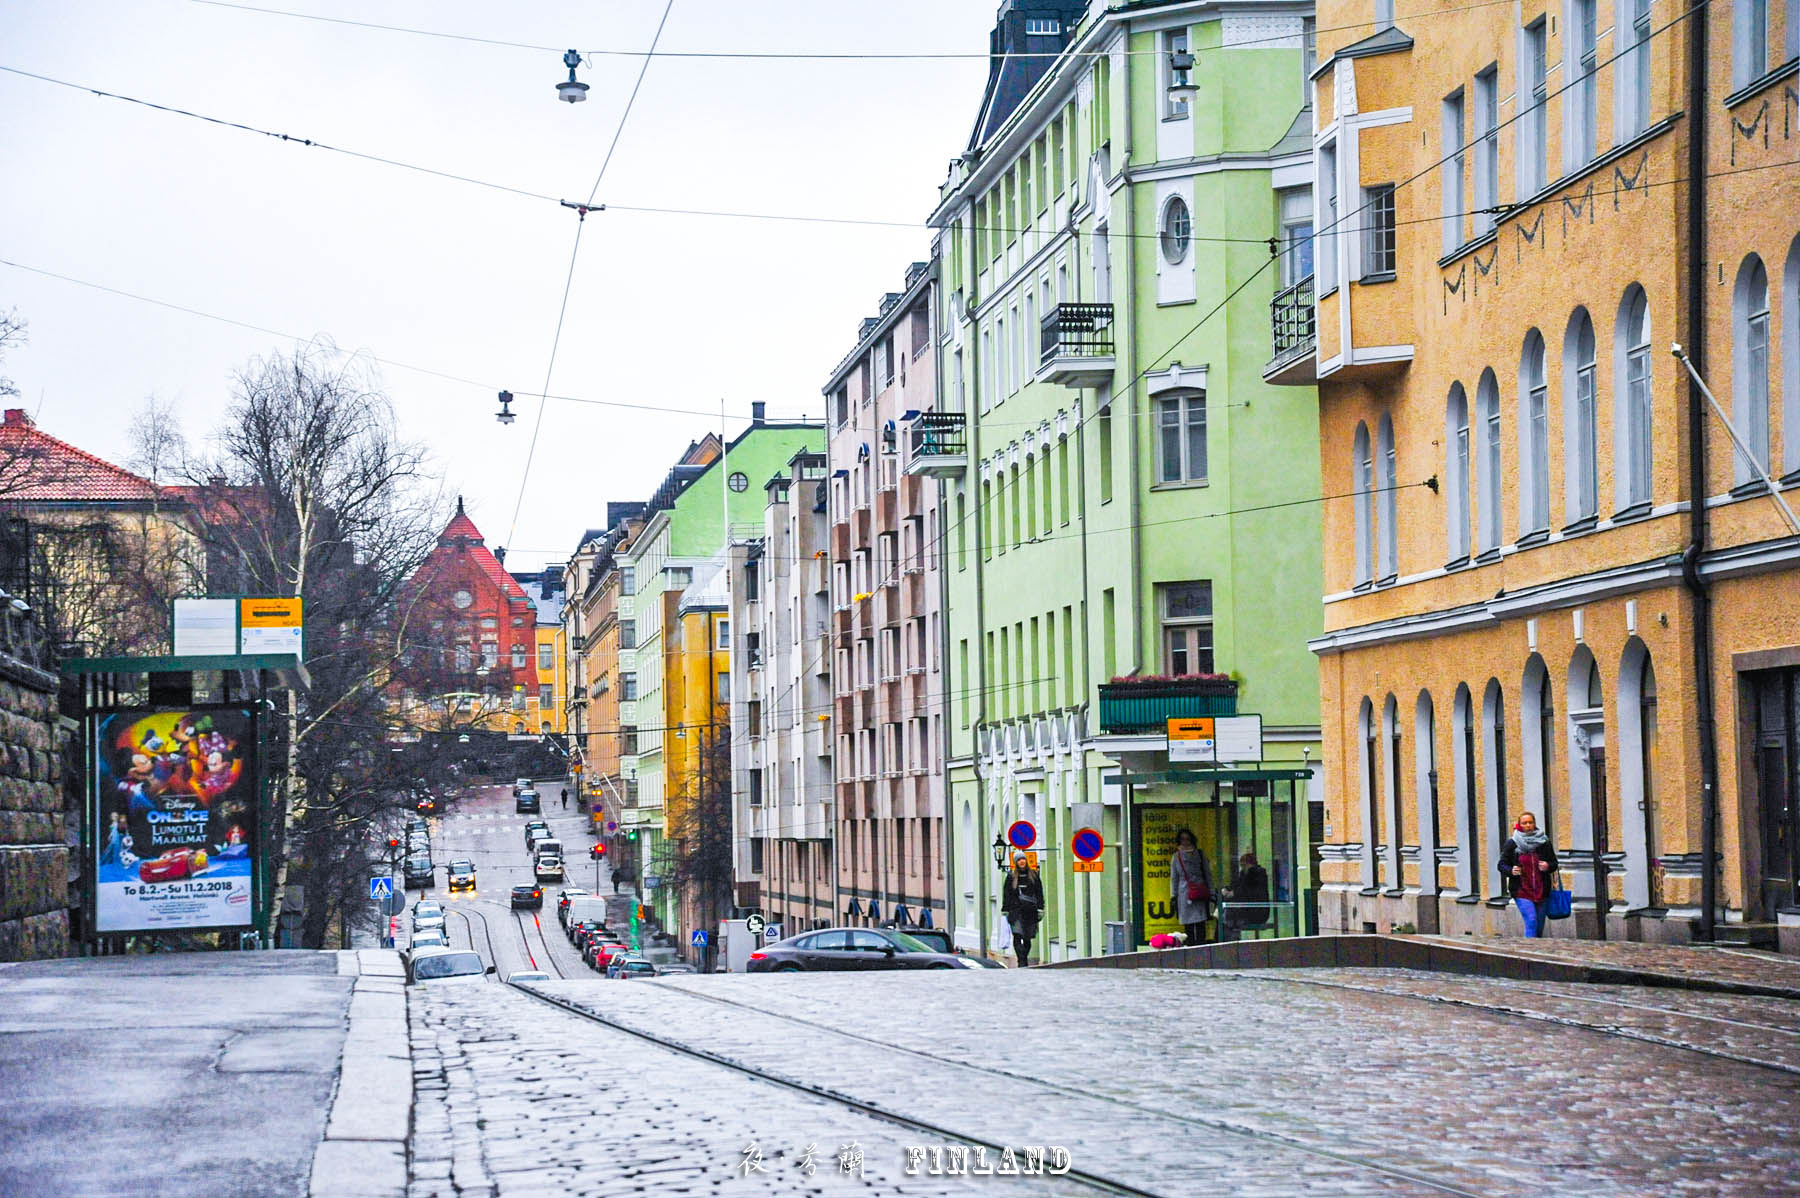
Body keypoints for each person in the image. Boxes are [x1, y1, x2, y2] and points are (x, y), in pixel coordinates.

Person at [1498, 811, 1559, 938]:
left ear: (1534, 824)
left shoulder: (1544, 842)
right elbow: (1501, 864)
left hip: (1542, 890)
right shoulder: (1513, 843)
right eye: (1524, 823)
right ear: (1519, 825)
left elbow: (1554, 863)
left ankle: (1538, 949)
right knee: (1531, 920)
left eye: (1530, 822)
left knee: (1539, 925)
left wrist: (1548, 866)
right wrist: (1511, 870)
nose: (1528, 825)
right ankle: (1529, 950)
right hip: (1522, 890)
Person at [1169, 829, 1213, 945]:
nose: (1185, 842)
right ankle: (1190, 946)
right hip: (1185, 893)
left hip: (1200, 891)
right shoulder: (1176, 857)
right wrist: (1173, 895)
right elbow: (1174, 877)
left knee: (1200, 923)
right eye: (1182, 839)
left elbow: (1207, 873)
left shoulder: (1199, 854)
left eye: (1187, 839)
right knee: (1188, 924)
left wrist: (1211, 891)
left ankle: (1201, 945)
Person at [1000, 853, 1044, 967]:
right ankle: (1022, 961)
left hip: (1030, 912)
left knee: (1028, 939)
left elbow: (1039, 892)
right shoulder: (1011, 877)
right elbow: (1007, 894)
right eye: (1019, 860)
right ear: (1016, 862)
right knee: (1017, 935)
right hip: (1016, 911)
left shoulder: (1033, 876)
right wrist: (1005, 910)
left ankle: (1023, 957)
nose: (1022, 861)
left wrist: (1040, 908)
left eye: (1023, 859)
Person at [1221, 852, 1271, 940]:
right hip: (1246, 910)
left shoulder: (1257, 874)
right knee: (1226, 917)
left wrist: (1234, 893)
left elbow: (1249, 891)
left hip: (1256, 912)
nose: (1243, 868)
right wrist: (1226, 889)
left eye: (1244, 865)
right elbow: (1237, 886)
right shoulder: (1244, 874)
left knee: (1229, 917)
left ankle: (1230, 940)